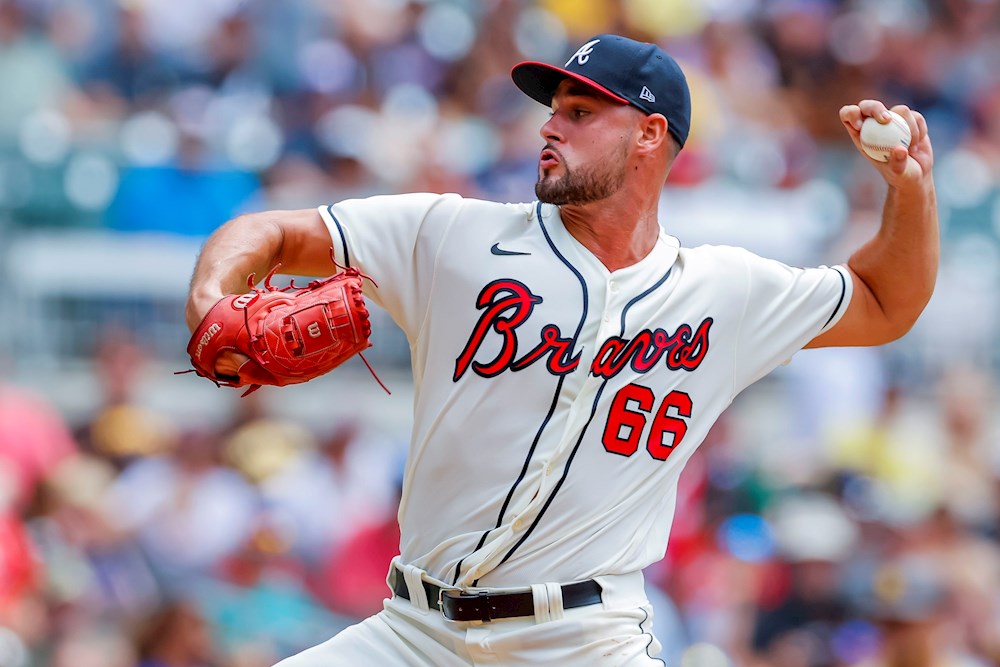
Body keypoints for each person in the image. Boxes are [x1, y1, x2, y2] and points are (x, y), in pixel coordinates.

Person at [184, 34, 937, 667]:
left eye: (581, 113)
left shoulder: (723, 291)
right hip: (413, 632)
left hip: (583, 640)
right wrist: (213, 297)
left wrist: (910, 190)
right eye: (553, 111)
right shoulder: (453, 235)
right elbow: (274, 233)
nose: (551, 128)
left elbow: (883, 301)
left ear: (649, 134)